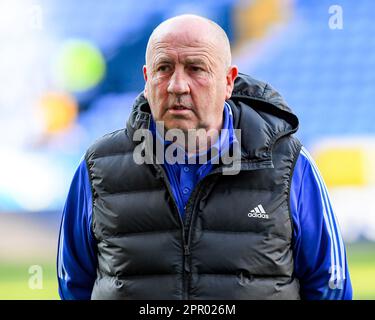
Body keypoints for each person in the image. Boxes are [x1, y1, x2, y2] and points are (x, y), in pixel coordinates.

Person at [57, 14, 352, 300]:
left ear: (228, 82)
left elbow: (330, 286)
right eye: (164, 68)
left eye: (196, 68)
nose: (177, 85)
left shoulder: (290, 165)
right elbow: (74, 284)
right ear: (147, 80)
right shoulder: (98, 167)